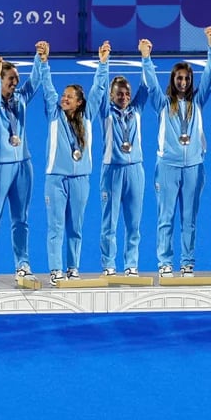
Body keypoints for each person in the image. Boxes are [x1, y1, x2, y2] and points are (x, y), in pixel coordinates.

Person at [141, 27, 211, 278]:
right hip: (167, 167)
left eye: (187, 79)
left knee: (189, 219)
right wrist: (146, 58)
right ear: (173, 80)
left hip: (194, 167)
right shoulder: (162, 103)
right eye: (179, 79)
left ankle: (187, 262)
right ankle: (165, 262)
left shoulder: (198, 102)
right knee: (166, 217)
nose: (183, 83)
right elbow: (151, 86)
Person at [0, 45, 46, 284]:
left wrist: (40, 58)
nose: (16, 83)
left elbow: (35, 82)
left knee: (21, 218)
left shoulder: (20, 99)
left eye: (17, 78)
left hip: (23, 165)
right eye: (11, 79)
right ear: (0, 79)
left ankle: (22, 264)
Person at [38, 42, 98, 286]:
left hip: (81, 179)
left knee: (76, 227)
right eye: (64, 96)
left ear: (80, 103)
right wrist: (44, 62)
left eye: (69, 97)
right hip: (55, 179)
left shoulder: (88, 115)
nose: (64, 99)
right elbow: (47, 87)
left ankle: (73, 267)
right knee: (56, 227)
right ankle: (55, 269)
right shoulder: (54, 114)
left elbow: (99, 88)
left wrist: (102, 63)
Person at [92, 40, 149, 277]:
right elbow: (98, 90)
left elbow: (148, 87)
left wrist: (146, 57)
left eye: (127, 93)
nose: (124, 97)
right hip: (112, 171)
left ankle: (131, 264)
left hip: (135, 170)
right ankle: (108, 265)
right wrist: (103, 63)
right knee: (110, 222)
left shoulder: (137, 109)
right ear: (112, 95)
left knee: (134, 223)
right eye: (119, 94)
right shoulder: (105, 112)